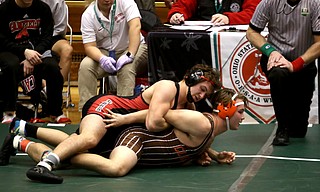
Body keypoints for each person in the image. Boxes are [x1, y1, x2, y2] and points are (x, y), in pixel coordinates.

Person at [20, 64, 221, 182]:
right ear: (191, 79)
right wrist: (169, 120)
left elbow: (193, 136)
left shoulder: (188, 107)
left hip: (123, 126)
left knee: (76, 148)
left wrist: (212, 153)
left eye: (206, 94)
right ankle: (44, 166)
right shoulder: (169, 88)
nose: (201, 95)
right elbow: (152, 123)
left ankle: (20, 136)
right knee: (88, 139)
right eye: (201, 88)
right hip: (111, 109)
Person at [0, 88, 246, 184]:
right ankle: (43, 154)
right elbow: (159, 114)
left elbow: (187, 137)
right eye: (241, 112)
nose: (244, 118)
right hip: (135, 137)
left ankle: (20, 138)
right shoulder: (200, 122)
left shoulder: (210, 130)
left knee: (76, 143)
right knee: (113, 166)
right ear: (224, 110)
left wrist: (212, 154)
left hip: (138, 142)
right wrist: (125, 119)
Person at [246, 0, 320, 146]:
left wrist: (295, 65)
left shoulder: (315, 2)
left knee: (299, 131)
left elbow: (319, 44)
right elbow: (252, 32)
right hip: (276, 59)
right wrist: (271, 51)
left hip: (302, 61)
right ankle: (281, 127)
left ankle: (292, 126)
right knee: (279, 75)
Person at [0, 0, 68, 124]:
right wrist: (24, 53)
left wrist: (33, 54)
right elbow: (1, 40)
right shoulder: (4, 10)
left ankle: (55, 112)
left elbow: (47, 36)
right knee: (11, 65)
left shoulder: (43, 9)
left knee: (52, 67)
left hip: (36, 51)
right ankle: (9, 112)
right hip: (11, 51)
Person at [78, 0, 148, 110]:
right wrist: (102, 59)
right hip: (105, 52)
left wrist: (129, 54)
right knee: (86, 66)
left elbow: (135, 26)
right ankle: (87, 111)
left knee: (126, 68)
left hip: (133, 46)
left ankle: (122, 113)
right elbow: (90, 46)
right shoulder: (89, 14)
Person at [10, 0, 73, 89]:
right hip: (23, 41)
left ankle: (55, 91)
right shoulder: (13, 1)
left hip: (51, 38)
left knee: (67, 49)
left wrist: (40, 46)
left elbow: (60, 29)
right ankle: (39, 87)